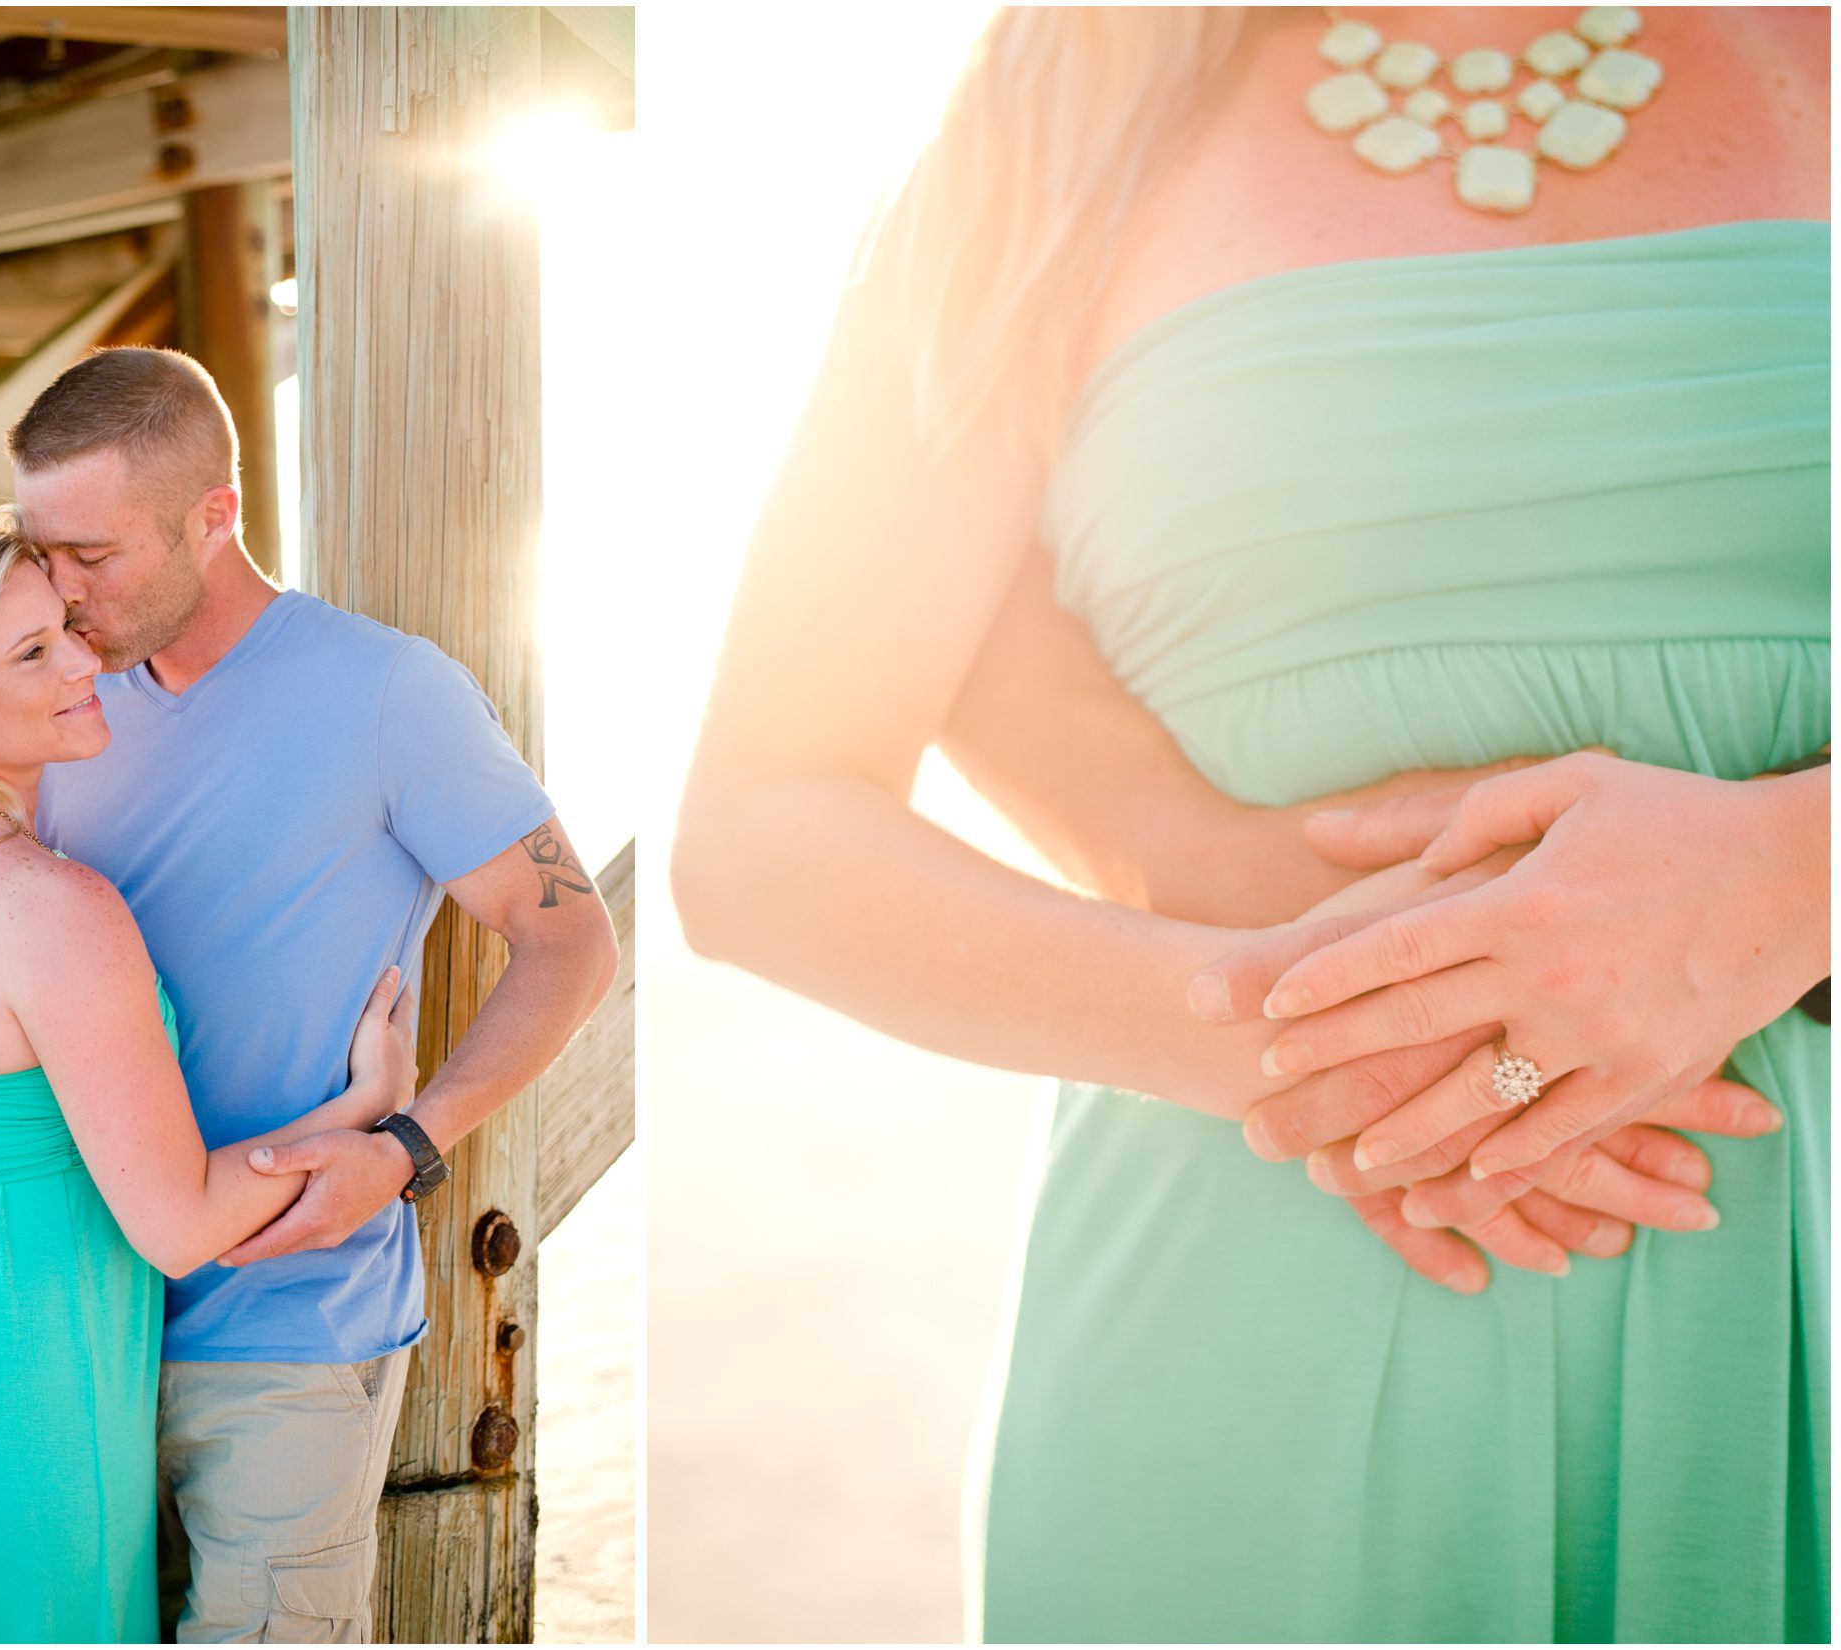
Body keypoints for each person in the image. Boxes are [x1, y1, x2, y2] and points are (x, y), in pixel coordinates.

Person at [673, 7, 1826, 1641]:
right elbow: (762, 823)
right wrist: (1282, 1030)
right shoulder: (1049, 112)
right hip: (1257, 1289)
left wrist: (1789, 876)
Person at [0, 347, 621, 1642]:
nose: (61, 596)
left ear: (213, 516)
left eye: (92, 555)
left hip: (285, 1324)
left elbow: (571, 941)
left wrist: (405, 1140)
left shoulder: (387, 694)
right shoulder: (57, 701)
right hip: (74, 1328)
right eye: (41, 551)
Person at [0, 523, 417, 1642]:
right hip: (9, 1411)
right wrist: (367, 1104)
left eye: (69, 629)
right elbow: (180, 1225)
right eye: (31, 656)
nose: (88, 663)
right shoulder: (52, 908)